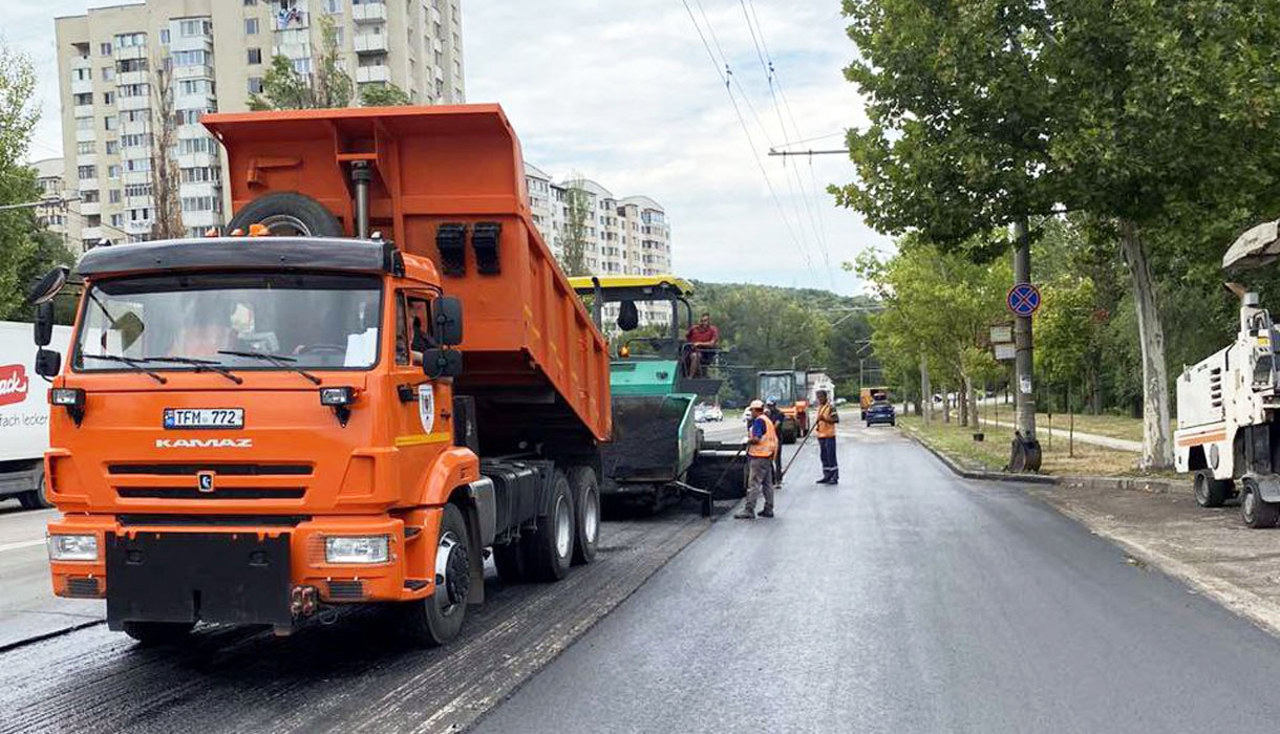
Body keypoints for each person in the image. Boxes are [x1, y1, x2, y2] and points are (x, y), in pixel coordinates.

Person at [735, 399, 778, 519]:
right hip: (768, 456)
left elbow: (757, 439)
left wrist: (747, 440)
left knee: (754, 484)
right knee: (767, 484)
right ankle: (768, 508)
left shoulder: (759, 421)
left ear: (755, 410)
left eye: (752, 410)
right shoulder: (767, 420)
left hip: (759, 457)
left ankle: (749, 509)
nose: (751, 412)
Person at [814, 389, 840, 484]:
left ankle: (834, 476)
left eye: (821, 397)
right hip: (821, 436)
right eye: (818, 397)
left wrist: (824, 419)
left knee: (831, 456)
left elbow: (836, 419)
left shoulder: (831, 407)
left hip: (829, 435)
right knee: (823, 456)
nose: (819, 399)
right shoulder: (820, 407)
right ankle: (827, 475)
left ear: (825, 397)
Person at [683, 311, 719, 377]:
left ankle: (690, 377)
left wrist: (699, 343)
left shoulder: (713, 330)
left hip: (705, 353)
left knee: (696, 356)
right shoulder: (694, 329)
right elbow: (686, 338)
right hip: (691, 350)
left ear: (709, 321)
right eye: (702, 320)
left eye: (705, 321)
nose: (703, 323)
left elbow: (711, 343)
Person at [765, 397, 785, 489]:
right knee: (768, 459)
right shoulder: (767, 414)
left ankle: (778, 480)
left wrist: (767, 429)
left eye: (771, 405)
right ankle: (772, 479)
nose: (769, 407)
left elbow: (776, 425)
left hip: (776, 439)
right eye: (768, 405)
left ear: (774, 405)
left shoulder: (779, 414)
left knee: (777, 459)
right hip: (768, 439)